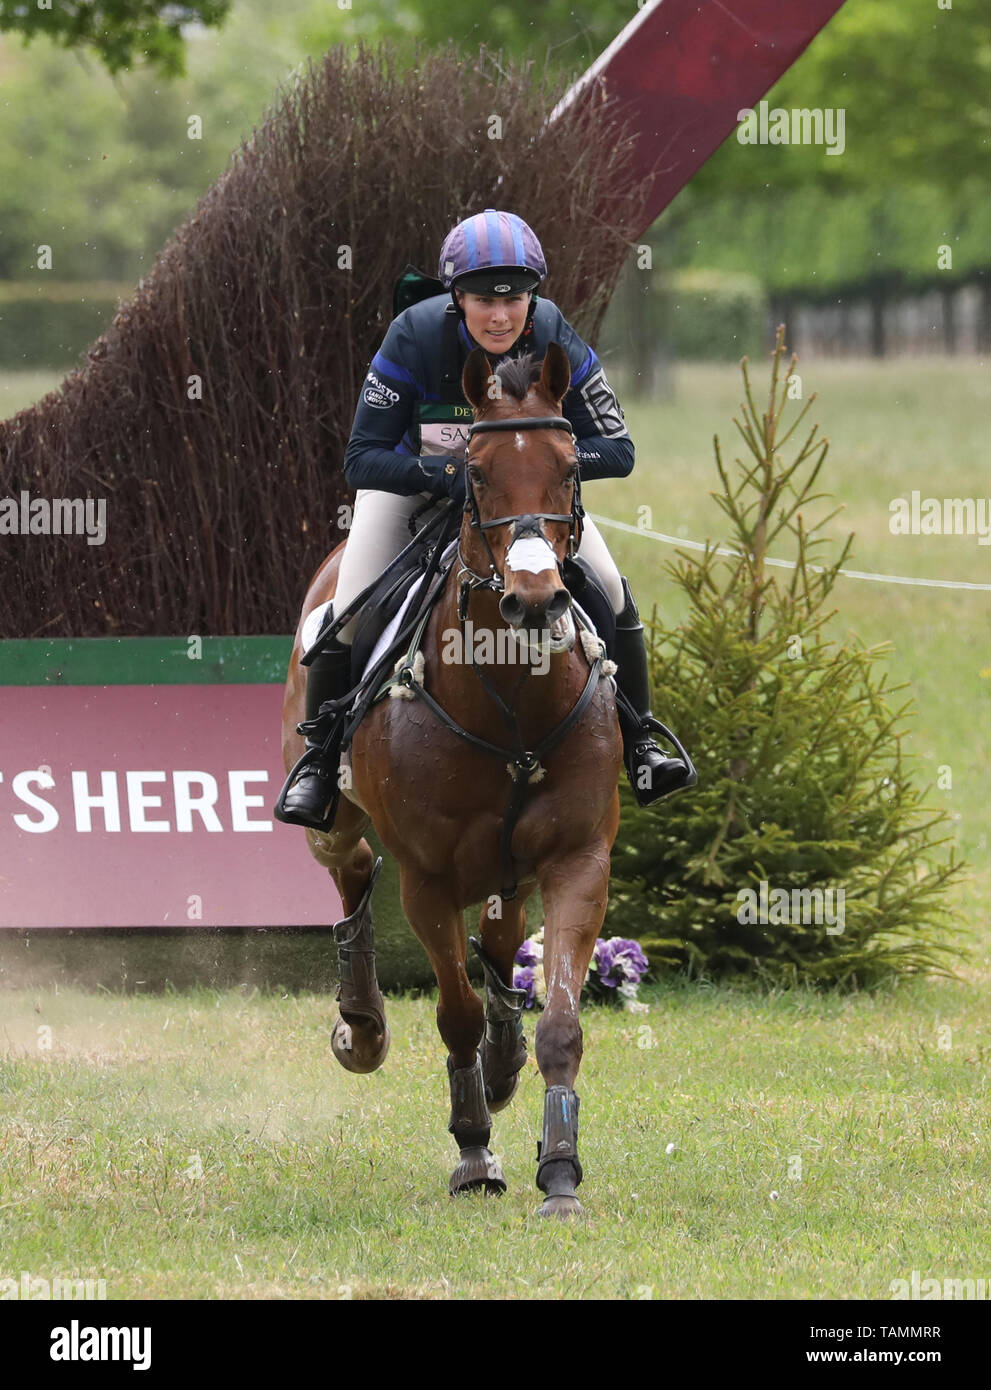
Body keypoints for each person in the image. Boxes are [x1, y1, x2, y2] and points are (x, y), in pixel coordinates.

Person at [278, 209, 695, 830]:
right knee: (350, 608)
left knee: (611, 589)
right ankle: (320, 759)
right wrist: (452, 476)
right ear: (456, 298)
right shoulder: (413, 336)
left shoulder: (552, 331)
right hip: (416, 492)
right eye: (482, 300)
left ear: (533, 297)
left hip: (524, 504)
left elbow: (619, 448)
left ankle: (642, 742)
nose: (501, 316)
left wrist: (532, 463)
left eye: (515, 299)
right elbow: (361, 457)